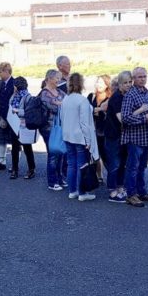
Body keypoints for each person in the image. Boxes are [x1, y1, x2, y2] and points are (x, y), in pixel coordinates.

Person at [121, 67, 148, 208]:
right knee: (132, 167)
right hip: (135, 138)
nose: (143, 79)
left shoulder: (146, 91)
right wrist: (145, 118)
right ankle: (131, 195)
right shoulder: (130, 95)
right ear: (134, 78)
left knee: (142, 167)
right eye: (139, 77)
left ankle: (141, 192)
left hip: (146, 136)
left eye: (144, 76)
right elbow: (125, 118)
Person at [61, 73, 97, 201]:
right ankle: (82, 193)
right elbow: (84, 123)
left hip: (67, 135)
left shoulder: (66, 99)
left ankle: (72, 191)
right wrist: (88, 140)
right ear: (81, 84)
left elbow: (62, 118)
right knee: (82, 165)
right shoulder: (82, 100)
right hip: (80, 137)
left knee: (71, 164)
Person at [104, 71, 131, 203]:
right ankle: (112, 191)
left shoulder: (127, 95)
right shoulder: (116, 98)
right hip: (113, 135)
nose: (128, 85)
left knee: (122, 163)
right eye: (125, 83)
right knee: (114, 163)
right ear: (119, 84)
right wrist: (141, 111)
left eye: (130, 82)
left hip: (123, 135)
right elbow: (123, 119)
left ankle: (120, 188)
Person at [39, 69, 68, 190]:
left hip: (60, 127)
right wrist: (60, 104)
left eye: (59, 78)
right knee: (52, 154)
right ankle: (52, 181)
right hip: (48, 128)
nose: (59, 80)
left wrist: (59, 103)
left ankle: (60, 178)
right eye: (57, 78)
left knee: (60, 152)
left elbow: (66, 104)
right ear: (49, 79)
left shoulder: (59, 91)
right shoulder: (44, 93)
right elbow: (53, 107)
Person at [9, 77, 36, 179]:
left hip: (24, 125)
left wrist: (17, 111)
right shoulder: (14, 95)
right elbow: (10, 105)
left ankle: (31, 169)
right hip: (14, 124)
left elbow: (29, 112)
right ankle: (15, 169)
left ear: (16, 86)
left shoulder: (27, 96)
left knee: (27, 148)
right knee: (14, 148)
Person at [0, 62, 14, 172]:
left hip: (12, 118)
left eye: (0, 71)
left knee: (15, 141)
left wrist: (5, 117)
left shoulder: (14, 83)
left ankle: (15, 164)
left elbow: (14, 102)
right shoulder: (1, 82)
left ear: (6, 71)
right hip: (0, 116)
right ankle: (2, 162)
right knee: (0, 140)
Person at [88, 74, 112, 184]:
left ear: (107, 85)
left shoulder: (110, 98)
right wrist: (99, 109)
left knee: (107, 157)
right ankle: (99, 175)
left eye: (102, 82)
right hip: (93, 130)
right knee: (94, 155)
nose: (99, 85)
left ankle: (113, 178)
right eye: (97, 82)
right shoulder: (91, 96)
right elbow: (86, 111)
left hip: (106, 131)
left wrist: (95, 110)